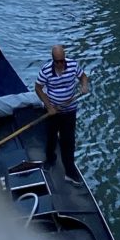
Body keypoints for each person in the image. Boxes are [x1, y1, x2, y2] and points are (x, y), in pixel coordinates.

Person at [34, 43, 89, 184]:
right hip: (53, 112)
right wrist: (49, 106)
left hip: (70, 110)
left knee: (68, 142)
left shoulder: (72, 65)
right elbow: (38, 88)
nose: (61, 64)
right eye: (58, 61)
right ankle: (50, 159)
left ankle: (70, 172)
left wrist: (84, 85)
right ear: (53, 60)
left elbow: (83, 76)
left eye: (62, 60)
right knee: (51, 138)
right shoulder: (46, 71)